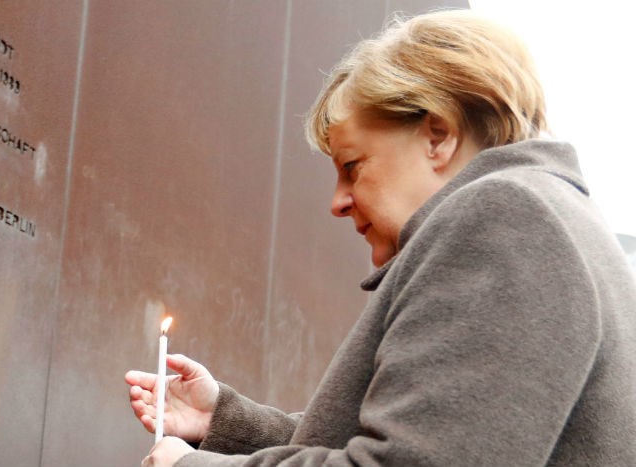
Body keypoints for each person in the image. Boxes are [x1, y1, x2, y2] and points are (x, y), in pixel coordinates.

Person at [125, 9, 636, 467]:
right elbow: (420, 436)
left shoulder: (504, 219)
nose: (337, 201)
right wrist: (225, 424)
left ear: (438, 136)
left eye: (352, 166)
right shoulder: (553, 219)